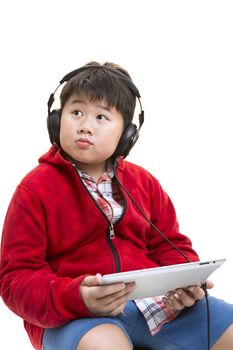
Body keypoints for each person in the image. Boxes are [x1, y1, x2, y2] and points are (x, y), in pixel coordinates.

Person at [0, 61, 233, 350]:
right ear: (57, 120)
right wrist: (74, 297)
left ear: (127, 135)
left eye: (101, 117)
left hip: (157, 306)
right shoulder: (34, 189)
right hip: (76, 314)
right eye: (76, 113)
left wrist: (186, 282)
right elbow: (16, 278)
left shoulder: (144, 182)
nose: (85, 126)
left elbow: (170, 245)